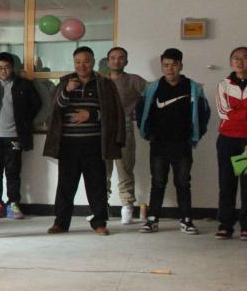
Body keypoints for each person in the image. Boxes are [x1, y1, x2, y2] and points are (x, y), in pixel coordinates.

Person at [43, 46, 125, 235]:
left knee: (97, 185)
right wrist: (67, 91)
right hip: (68, 144)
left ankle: (99, 222)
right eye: (78, 62)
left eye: (86, 61)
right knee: (65, 185)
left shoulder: (104, 84)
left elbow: (112, 113)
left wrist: (91, 115)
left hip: (94, 143)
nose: (82, 65)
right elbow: (55, 110)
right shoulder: (65, 83)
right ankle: (61, 223)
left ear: (93, 62)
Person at [136, 48, 210, 234]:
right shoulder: (152, 88)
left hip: (182, 144)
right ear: (162, 67)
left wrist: (194, 136)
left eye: (174, 65)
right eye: (166, 65)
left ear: (181, 66)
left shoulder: (193, 88)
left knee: (183, 182)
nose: (170, 69)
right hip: (159, 144)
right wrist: (148, 134)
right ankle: (152, 220)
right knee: (158, 182)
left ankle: (186, 220)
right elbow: (140, 111)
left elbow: (204, 114)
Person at [0, 52, 40, 219]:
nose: (3, 71)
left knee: (13, 172)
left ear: (12, 68)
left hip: (14, 136)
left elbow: (36, 104)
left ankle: (13, 204)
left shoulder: (24, 85)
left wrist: (25, 121)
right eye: (0, 68)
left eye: (6, 67)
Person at [104, 47, 148, 224]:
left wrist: (141, 114)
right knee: (102, 171)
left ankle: (127, 206)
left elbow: (152, 95)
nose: (117, 61)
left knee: (125, 169)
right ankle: (101, 207)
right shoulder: (100, 81)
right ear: (108, 61)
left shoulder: (134, 80)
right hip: (102, 130)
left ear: (126, 61)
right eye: (113, 58)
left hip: (125, 129)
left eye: (121, 58)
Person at [215, 46, 247, 240]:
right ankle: (225, 225)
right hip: (228, 140)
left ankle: (246, 226)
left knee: (246, 184)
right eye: (236, 58)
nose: (240, 62)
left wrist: (237, 111)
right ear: (231, 62)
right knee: (227, 183)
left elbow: (233, 112)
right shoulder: (223, 85)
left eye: (245, 57)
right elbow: (223, 112)